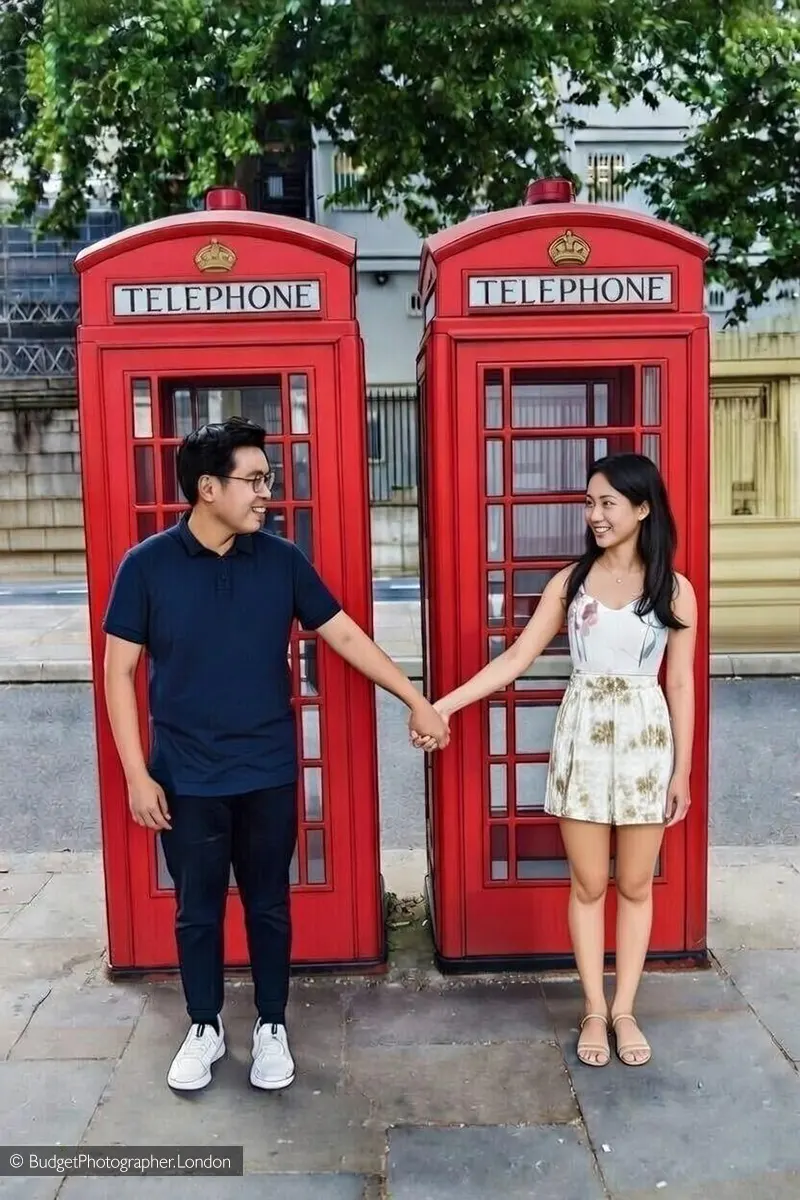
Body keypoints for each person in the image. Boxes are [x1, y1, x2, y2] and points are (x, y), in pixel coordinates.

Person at [102, 416, 447, 1093]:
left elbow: (344, 635)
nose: (268, 491)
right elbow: (118, 672)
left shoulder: (282, 560)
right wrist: (136, 775)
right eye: (254, 479)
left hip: (267, 768)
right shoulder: (146, 567)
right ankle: (203, 1025)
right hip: (187, 774)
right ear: (207, 488)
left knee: (268, 904)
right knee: (196, 909)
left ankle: (270, 1025)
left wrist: (416, 697)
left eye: (268, 478)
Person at [426, 452, 696, 1068]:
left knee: (633, 884)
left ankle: (626, 1007)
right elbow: (516, 658)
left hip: (645, 744)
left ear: (643, 508)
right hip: (583, 745)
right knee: (588, 883)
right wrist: (444, 705)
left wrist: (681, 770)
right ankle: (594, 1010)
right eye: (589, 503)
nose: (594, 515)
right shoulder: (571, 584)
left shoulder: (674, 588)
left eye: (607, 503)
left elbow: (679, 683)